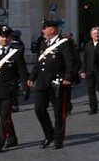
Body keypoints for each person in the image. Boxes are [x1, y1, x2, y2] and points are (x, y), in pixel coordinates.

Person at [27, 19, 75, 150]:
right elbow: (39, 62)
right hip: (42, 82)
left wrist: (68, 77)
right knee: (39, 109)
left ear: (52, 29)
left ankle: (58, 139)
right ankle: (49, 134)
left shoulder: (64, 43)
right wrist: (32, 76)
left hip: (57, 83)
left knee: (59, 112)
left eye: (44, 28)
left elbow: (70, 62)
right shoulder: (43, 43)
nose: (42, 31)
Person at [0, 26, 29, 153]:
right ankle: (12, 138)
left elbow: (23, 71)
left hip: (9, 91)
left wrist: (26, 88)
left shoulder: (16, 52)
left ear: (10, 39)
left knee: (4, 117)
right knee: (5, 117)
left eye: (6, 37)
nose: (4, 39)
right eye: (2, 36)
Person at [80, 27, 99, 115]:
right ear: (91, 35)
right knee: (91, 90)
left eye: (97, 33)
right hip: (90, 71)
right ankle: (93, 108)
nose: (96, 35)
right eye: (94, 33)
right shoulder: (88, 45)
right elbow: (85, 59)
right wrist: (83, 71)